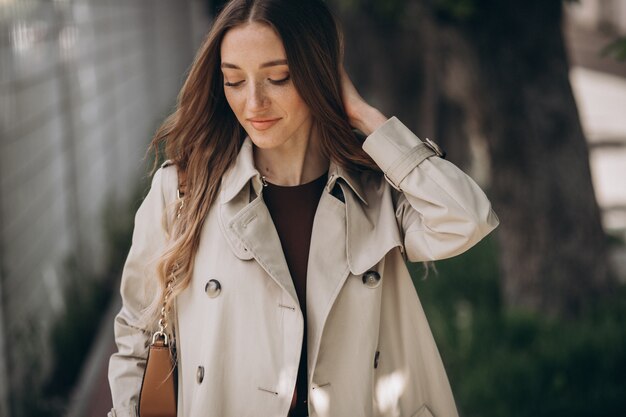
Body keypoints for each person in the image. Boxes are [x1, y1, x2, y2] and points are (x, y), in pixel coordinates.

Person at [107, 0, 499, 416]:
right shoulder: (184, 191)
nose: (253, 103)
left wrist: (364, 116)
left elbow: (467, 218)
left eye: (278, 77)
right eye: (234, 81)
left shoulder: (374, 192)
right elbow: (136, 334)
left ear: (318, 74)